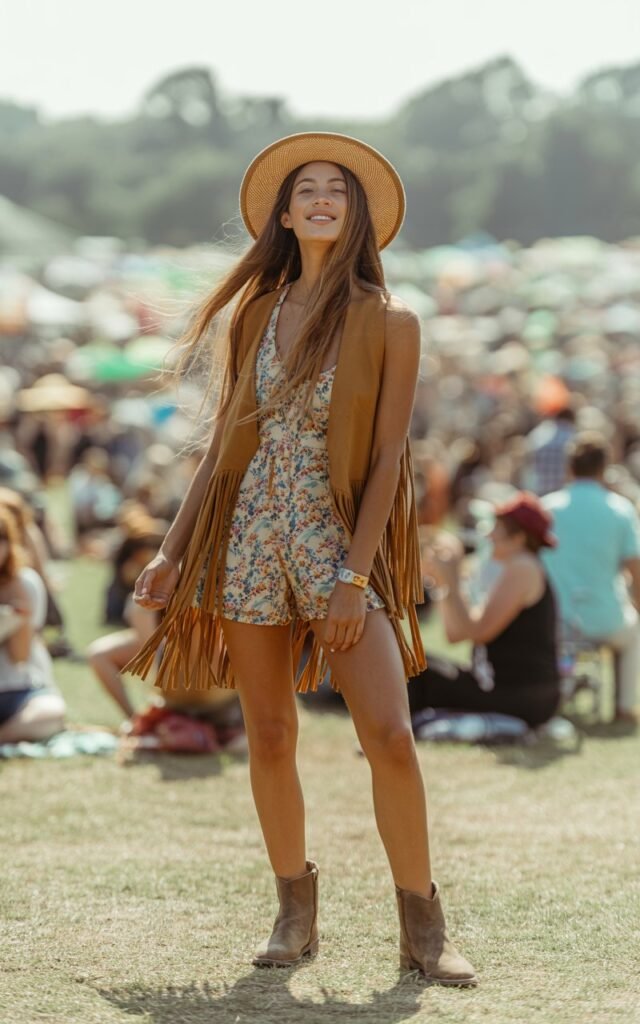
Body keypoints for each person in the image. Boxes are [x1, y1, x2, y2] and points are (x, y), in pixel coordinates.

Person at [125, 133, 477, 986]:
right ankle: (293, 906)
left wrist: (354, 577)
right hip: (248, 535)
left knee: (390, 735)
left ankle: (423, 923)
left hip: (337, 544)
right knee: (271, 734)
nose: (321, 198)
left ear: (356, 217)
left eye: (338, 190)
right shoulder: (254, 314)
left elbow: (390, 456)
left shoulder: (391, 321)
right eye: (306, 189)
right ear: (284, 215)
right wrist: (173, 552)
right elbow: (221, 448)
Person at [413, 493, 560, 728]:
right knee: (414, 663)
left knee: (412, 670)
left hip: (519, 695)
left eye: (497, 529)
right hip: (498, 685)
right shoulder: (514, 568)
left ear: (519, 537)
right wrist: (443, 582)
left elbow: (479, 632)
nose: (489, 535)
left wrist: (453, 576)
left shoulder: (523, 567)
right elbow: (456, 634)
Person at [542, 433, 640, 723]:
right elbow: (636, 569)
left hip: (554, 620)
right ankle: (623, 707)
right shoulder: (620, 509)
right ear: (603, 468)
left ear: (570, 467)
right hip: (606, 619)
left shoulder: (546, 508)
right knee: (634, 634)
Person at [0, 505, 65, 743]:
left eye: (3, 538)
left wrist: (20, 618)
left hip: (19, 690)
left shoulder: (24, 582)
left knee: (51, 713)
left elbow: (19, 657)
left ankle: (3, 737)